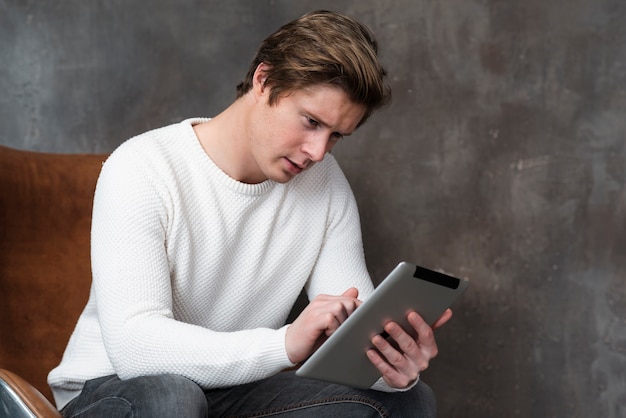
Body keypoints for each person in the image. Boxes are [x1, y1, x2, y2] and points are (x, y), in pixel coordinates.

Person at [48, 10, 452, 417]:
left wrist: (392, 363)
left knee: (408, 401)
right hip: (113, 391)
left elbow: (351, 341)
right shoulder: (142, 166)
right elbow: (136, 347)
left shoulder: (325, 185)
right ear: (264, 81)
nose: (317, 151)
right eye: (311, 122)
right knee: (173, 397)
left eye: (336, 136)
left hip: (232, 391)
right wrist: (283, 345)